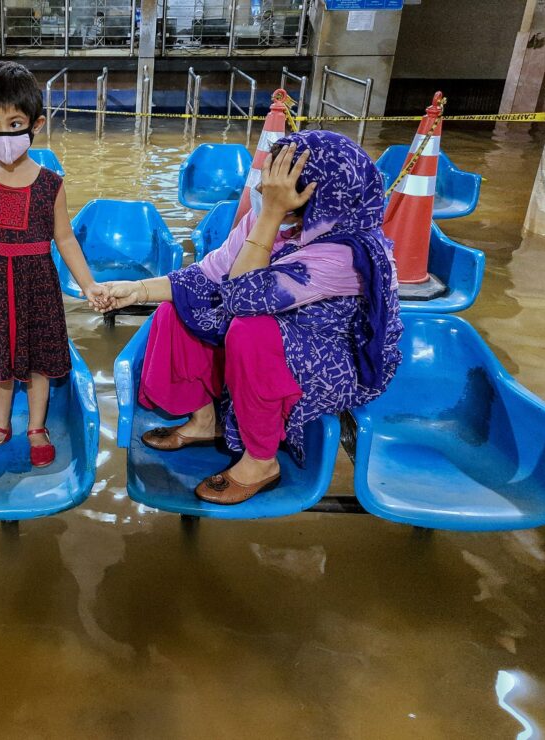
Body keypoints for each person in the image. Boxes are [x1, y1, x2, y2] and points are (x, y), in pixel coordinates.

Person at [99, 130, 403, 504]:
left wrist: (271, 216)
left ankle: (261, 462)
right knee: (177, 308)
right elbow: (210, 274)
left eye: (278, 187)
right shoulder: (274, 218)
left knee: (250, 331)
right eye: (267, 180)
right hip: (272, 327)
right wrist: (137, 290)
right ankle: (204, 421)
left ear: (316, 196)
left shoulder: (345, 254)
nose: (262, 193)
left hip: (326, 355)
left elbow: (244, 299)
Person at [0, 62, 108, 468]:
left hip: (37, 286)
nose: (3, 135)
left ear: (35, 124)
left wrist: (90, 284)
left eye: (14, 123)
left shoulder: (51, 184)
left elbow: (66, 239)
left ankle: (36, 427)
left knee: (39, 361)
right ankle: (0, 425)